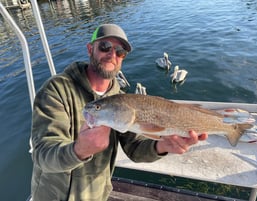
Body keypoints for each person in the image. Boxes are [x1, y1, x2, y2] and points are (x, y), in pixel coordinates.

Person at [30, 23, 208, 201]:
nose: (112, 55)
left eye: (120, 51)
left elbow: (135, 149)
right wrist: (78, 150)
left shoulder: (123, 101)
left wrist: (161, 146)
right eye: (105, 46)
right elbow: (42, 155)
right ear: (90, 48)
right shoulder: (56, 90)